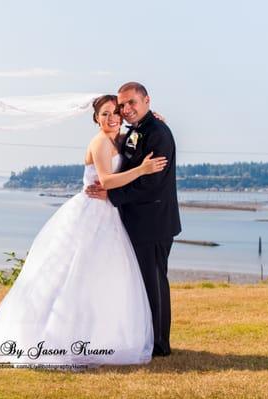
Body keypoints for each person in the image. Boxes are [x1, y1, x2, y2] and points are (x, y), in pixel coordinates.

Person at [0, 95, 167, 366]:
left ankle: (101, 337)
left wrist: (154, 119)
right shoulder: (99, 142)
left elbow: (133, 131)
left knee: (102, 277)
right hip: (92, 213)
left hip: (109, 214)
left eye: (115, 112)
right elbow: (106, 180)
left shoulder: (118, 138)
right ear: (95, 118)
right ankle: (55, 336)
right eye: (105, 114)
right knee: (73, 274)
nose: (112, 118)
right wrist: (142, 170)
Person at [85, 82, 181, 357]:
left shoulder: (158, 134)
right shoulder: (132, 131)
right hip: (134, 220)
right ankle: (144, 337)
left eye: (131, 104)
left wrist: (112, 196)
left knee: (154, 283)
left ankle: (160, 344)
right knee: (139, 282)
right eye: (122, 105)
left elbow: (152, 184)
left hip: (154, 221)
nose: (126, 110)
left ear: (147, 101)